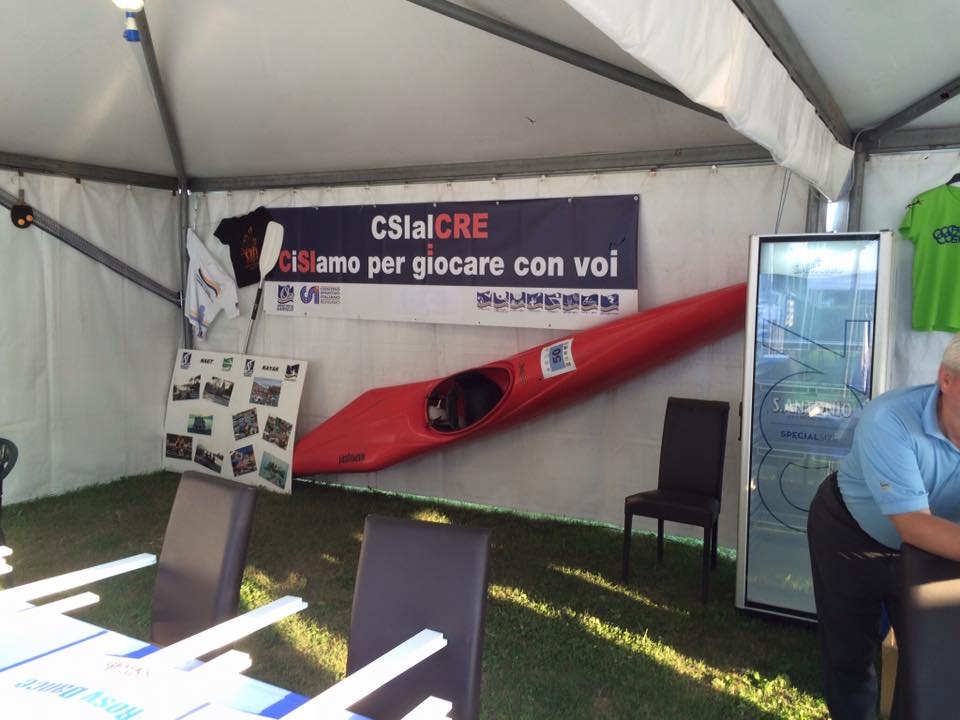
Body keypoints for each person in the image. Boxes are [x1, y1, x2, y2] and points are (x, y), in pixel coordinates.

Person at [807, 332, 960, 719]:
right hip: (849, 535)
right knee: (850, 655)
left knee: (932, 660)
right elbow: (913, 525)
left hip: (938, 547)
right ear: (946, 379)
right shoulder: (889, 419)